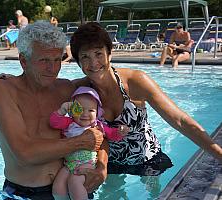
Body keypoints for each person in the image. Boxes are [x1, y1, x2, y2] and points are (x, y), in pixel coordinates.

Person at [69, 22, 222, 176]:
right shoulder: (81, 91)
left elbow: (179, 120)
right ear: (78, 62)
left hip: (148, 160)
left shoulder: (135, 81)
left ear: (109, 53)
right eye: (85, 57)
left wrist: (218, 153)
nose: (93, 63)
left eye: (98, 54)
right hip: (109, 164)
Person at [0, 21, 107, 200]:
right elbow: (24, 153)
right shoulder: (4, 90)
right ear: (23, 61)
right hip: (24, 192)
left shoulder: (66, 90)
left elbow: (99, 130)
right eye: (44, 60)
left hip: (71, 186)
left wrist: (101, 168)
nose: (52, 69)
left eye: (57, 60)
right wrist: (80, 142)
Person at [51, 86, 129, 200]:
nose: (85, 114)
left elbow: (112, 135)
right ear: (72, 110)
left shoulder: (97, 125)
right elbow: (54, 122)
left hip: (87, 162)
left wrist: (120, 132)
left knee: (75, 182)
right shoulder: (69, 123)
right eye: (80, 109)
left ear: (97, 112)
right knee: (58, 186)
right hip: (69, 164)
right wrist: (62, 110)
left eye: (91, 110)